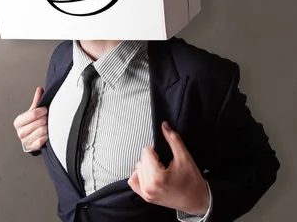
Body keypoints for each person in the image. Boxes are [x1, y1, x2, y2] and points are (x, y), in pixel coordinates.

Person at [14, 38, 279, 222]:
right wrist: (37, 137)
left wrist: (199, 200)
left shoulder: (198, 75)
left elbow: (260, 165)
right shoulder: (61, 56)